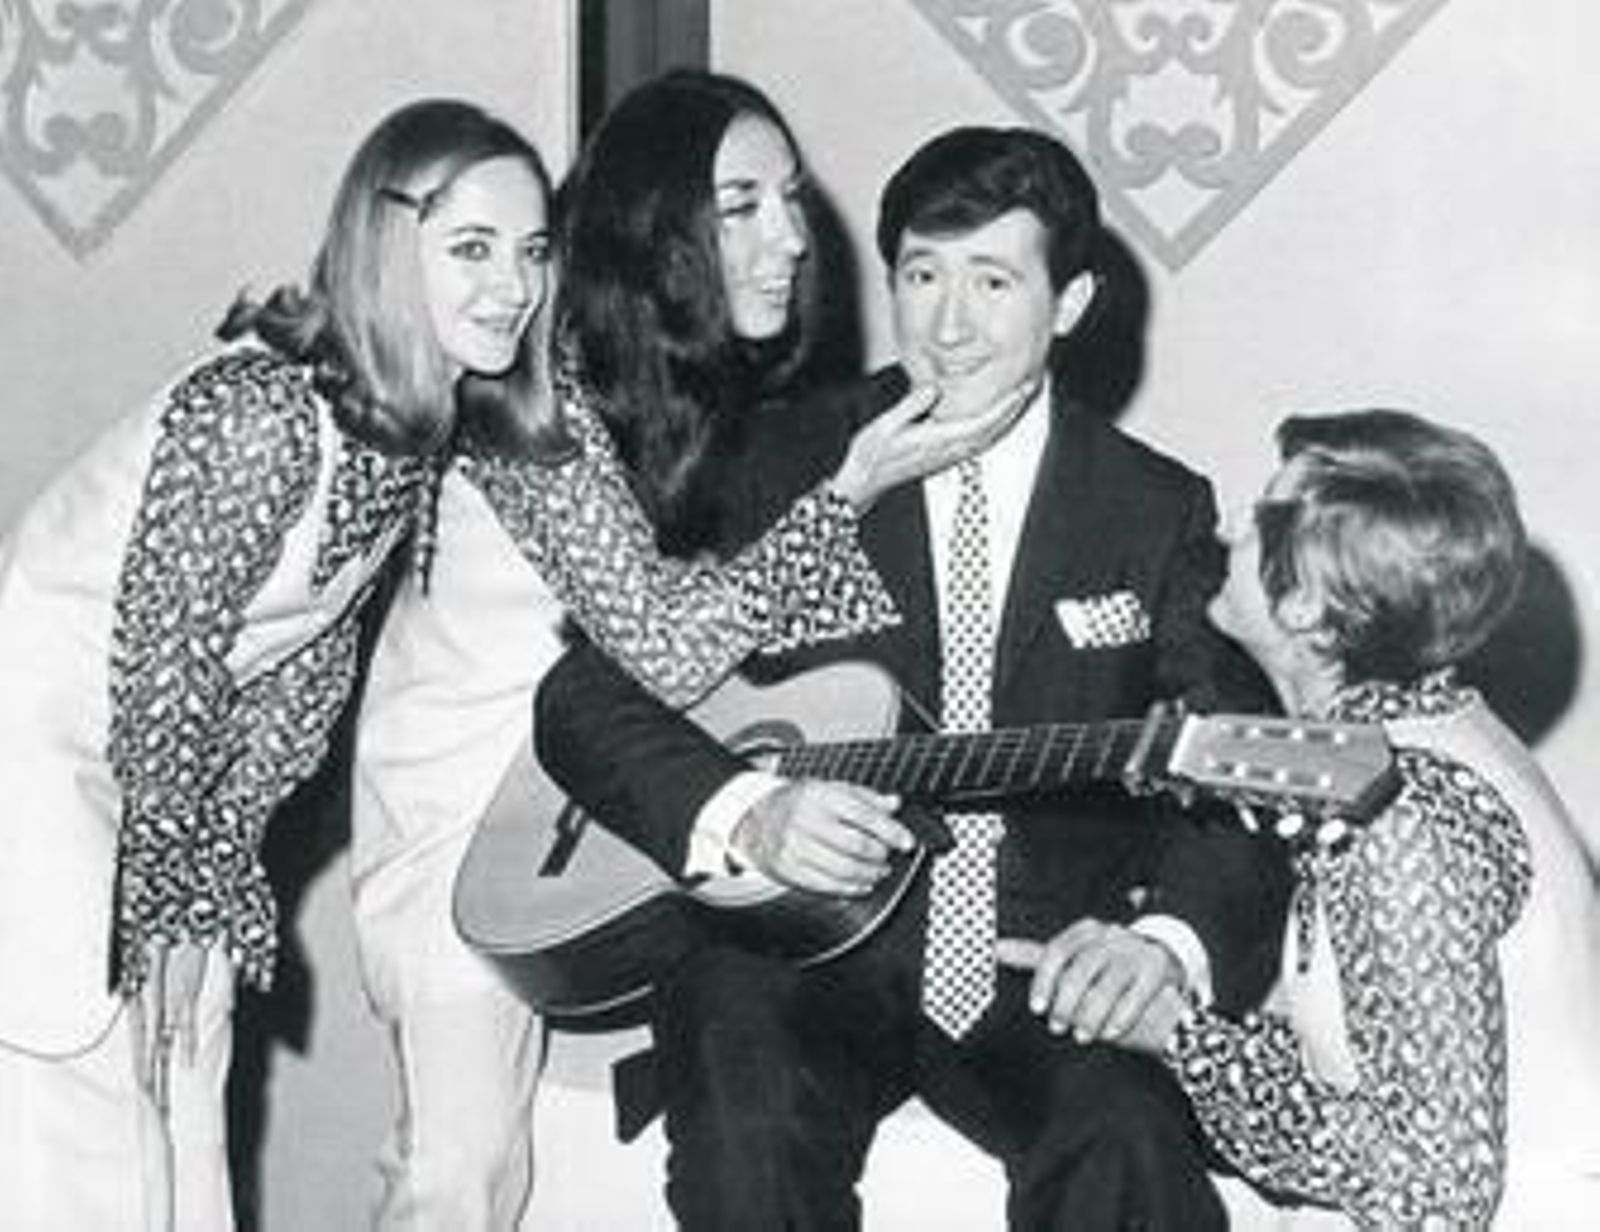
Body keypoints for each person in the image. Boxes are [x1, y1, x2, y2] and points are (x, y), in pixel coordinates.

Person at [533, 124, 1292, 1231]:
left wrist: (1165, 941)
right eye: (922, 276)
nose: (949, 324)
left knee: (1126, 1135)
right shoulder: (779, 460)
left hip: (1040, 962)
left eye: (993, 281)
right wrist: (748, 810)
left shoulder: (1150, 506)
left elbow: (1235, 760)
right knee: (739, 1082)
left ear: (1071, 302)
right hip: (797, 953)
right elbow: (583, 698)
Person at [348, 71, 1028, 1230]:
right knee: (458, 1167)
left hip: (607, 798)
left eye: (790, 200)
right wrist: (850, 490)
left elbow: (740, 635)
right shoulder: (536, 387)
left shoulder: (701, 391)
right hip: (464, 809)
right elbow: (664, 647)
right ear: (659, 228)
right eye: (742, 206)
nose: (790, 240)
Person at [1109, 409, 1600, 1230]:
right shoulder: (1427, 734)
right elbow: (1379, 1066)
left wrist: (1183, 1040)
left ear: (1306, 604)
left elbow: (1432, 1190)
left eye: (1259, 520)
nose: (1229, 533)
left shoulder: (1400, 816)